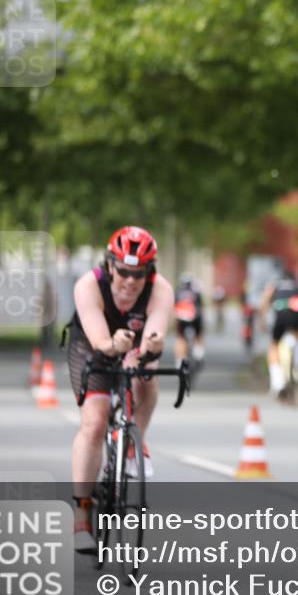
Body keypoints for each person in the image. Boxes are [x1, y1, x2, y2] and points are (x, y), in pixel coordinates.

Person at [65, 226, 174, 553]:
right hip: (90, 344)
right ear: (110, 266)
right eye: (124, 271)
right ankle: (82, 514)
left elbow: (153, 339)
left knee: (147, 378)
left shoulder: (160, 290)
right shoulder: (88, 285)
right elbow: (100, 341)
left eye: (138, 274)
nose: (130, 280)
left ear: (149, 272)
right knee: (95, 422)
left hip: (132, 345)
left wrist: (149, 348)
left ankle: (134, 444)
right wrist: (113, 345)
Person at [258, 268, 298, 395]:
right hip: (296, 314)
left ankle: (277, 382)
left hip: (280, 315)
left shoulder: (275, 285)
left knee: (273, 346)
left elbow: (264, 302)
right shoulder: (297, 286)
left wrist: (262, 319)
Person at [174, 273, 205, 366]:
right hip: (195, 318)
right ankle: (198, 353)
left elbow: (174, 306)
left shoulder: (178, 292)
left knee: (180, 338)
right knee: (199, 334)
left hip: (182, 318)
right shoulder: (196, 292)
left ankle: (179, 361)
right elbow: (200, 306)